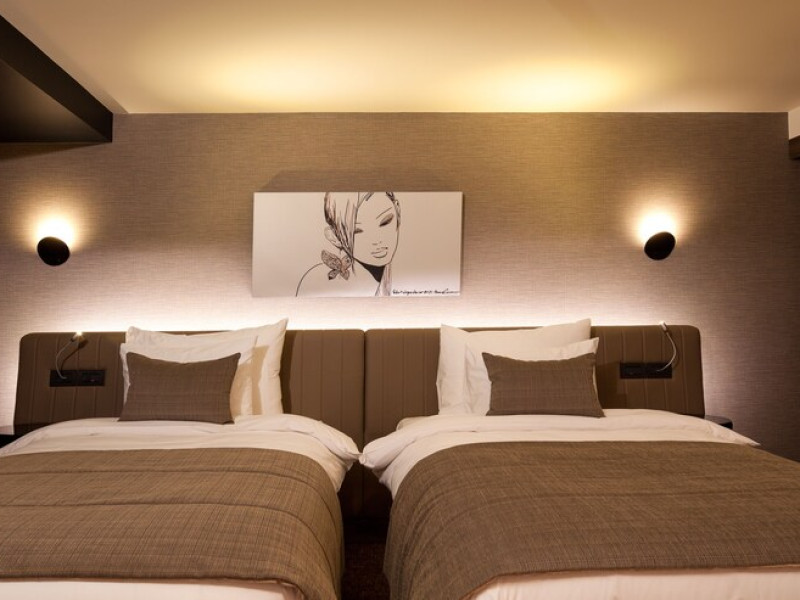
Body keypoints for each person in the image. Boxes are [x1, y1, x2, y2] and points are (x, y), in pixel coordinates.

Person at [296, 192, 401, 297]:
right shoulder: (317, 284)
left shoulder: (404, 275)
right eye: (357, 232)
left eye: (385, 222)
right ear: (334, 237)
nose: (377, 240)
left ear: (398, 211)